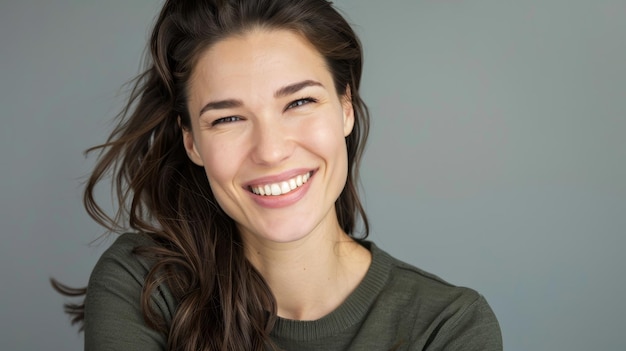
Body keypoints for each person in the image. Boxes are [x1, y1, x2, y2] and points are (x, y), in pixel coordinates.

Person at [53, 0, 503, 350]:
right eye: (227, 119)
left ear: (346, 106)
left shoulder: (447, 326)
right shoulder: (145, 286)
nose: (270, 151)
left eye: (299, 103)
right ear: (191, 141)